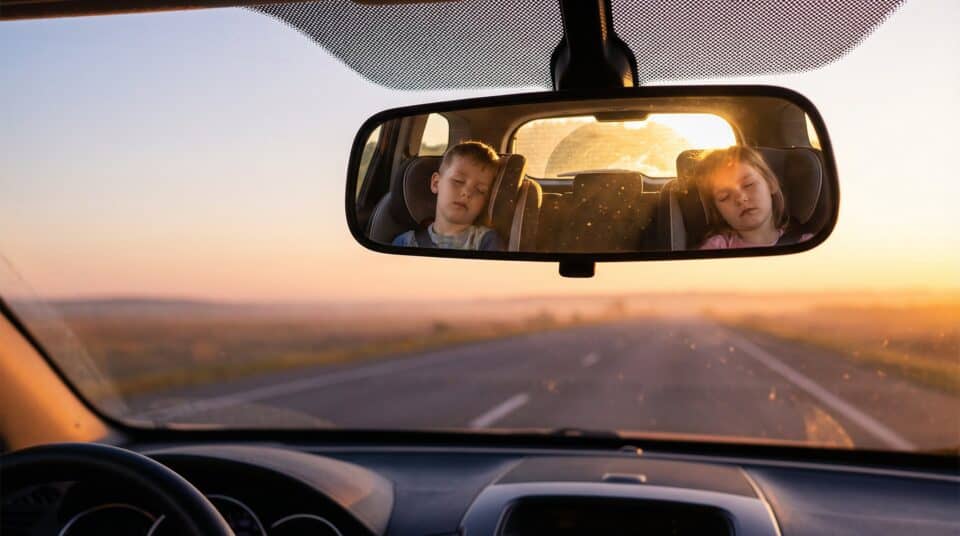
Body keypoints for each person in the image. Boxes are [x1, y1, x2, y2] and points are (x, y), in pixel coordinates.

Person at [393, 141, 505, 251]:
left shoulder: (487, 241)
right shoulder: (406, 242)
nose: (466, 193)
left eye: (480, 190)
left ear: (486, 201)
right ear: (436, 183)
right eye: (458, 181)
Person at [694, 145, 811, 249]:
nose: (740, 198)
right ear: (717, 210)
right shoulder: (717, 248)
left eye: (748, 184)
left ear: (771, 184)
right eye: (724, 196)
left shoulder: (807, 244)